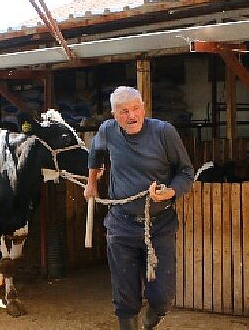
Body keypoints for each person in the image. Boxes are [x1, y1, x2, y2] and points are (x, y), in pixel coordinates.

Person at [83, 86, 193, 330]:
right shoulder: (108, 131)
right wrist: (92, 181)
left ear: (143, 107)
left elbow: (186, 172)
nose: (131, 116)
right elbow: (95, 150)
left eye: (135, 108)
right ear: (114, 114)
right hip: (121, 223)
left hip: (160, 224)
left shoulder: (164, 132)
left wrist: (170, 191)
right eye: (124, 111)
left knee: (163, 296)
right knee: (125, 296)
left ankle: (152, 319)